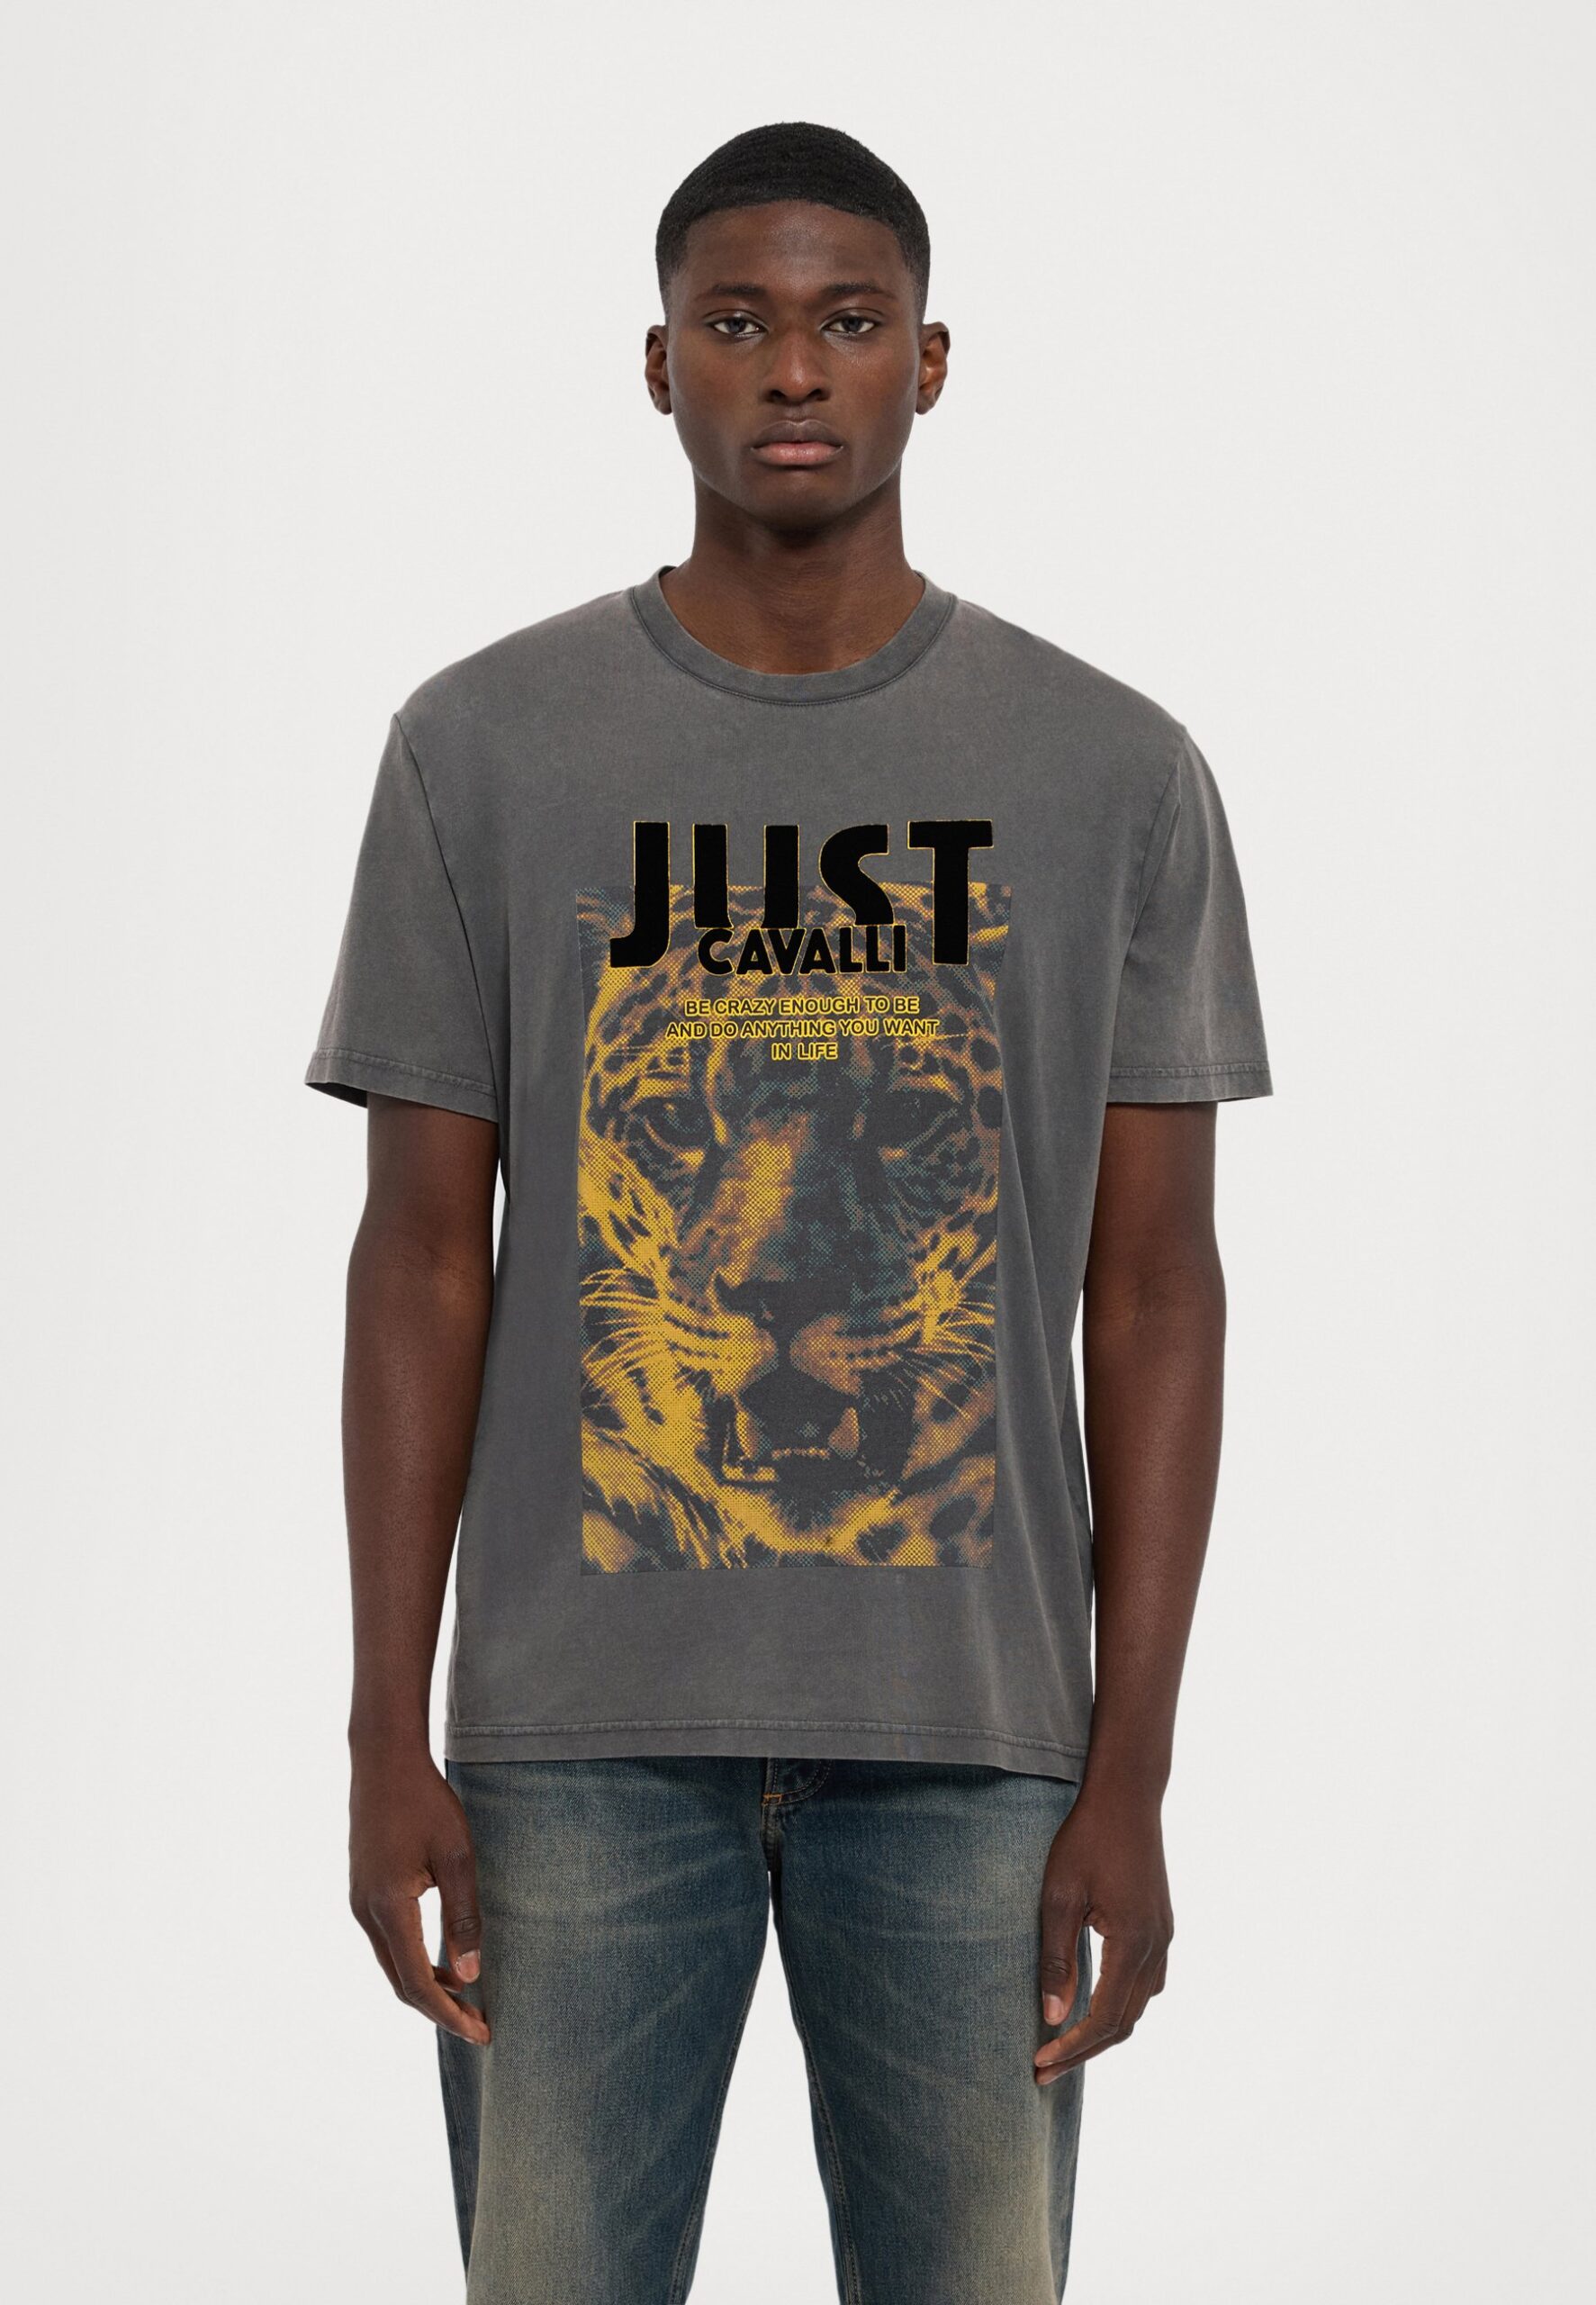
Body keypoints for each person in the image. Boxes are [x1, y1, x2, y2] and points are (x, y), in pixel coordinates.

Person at [306, 120, 1270, 2304]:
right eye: (736, 322)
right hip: (570, 1731)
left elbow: (1151, 1287)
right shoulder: (483, 744)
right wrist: (383, 1730)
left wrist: (1127, 1769)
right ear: (659, 365)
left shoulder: (1110, 770)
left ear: (929, 361)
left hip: (973, 1741)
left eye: (847, 321)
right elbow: (418, 1259)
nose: (795, 368)